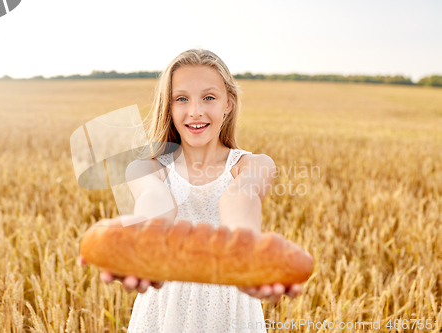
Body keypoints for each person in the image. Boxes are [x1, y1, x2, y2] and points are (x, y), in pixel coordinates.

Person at [77, 48, 305, 332]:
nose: (195, 110)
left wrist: (244, 252)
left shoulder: (254, 164)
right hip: (163, 309)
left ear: (228, 103)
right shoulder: (145, 167)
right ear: (168, 107)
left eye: (208, 97)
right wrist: (145, 236)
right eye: (181, 99)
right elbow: (155, 200)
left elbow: (241, 197)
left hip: (232, 302)